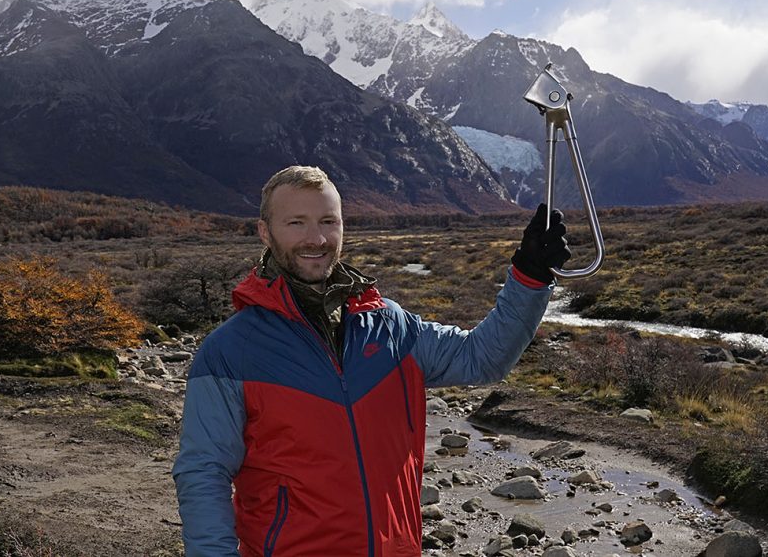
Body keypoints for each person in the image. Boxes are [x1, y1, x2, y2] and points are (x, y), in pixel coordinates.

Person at [172, 165, 570, 556]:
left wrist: (529, 277)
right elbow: (204, 474)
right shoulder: (231, 350)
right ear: (265, 231)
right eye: (296, 223)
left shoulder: (390, 326)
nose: (317, 238)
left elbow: (483, 358)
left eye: (329, 221)